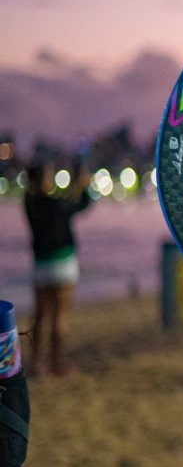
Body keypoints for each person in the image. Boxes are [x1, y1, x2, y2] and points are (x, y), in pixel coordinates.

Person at [23, 160, 92, 377]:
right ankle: (57, 365)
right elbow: (80, 204)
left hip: (41, 265)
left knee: (39, 316)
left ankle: (35, 365)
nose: (51, 178)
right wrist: (82, 187)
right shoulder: (57, 204)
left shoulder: (28, 203)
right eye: (49, 175)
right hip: (63, 264)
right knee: (59, 318)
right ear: (43, 178)